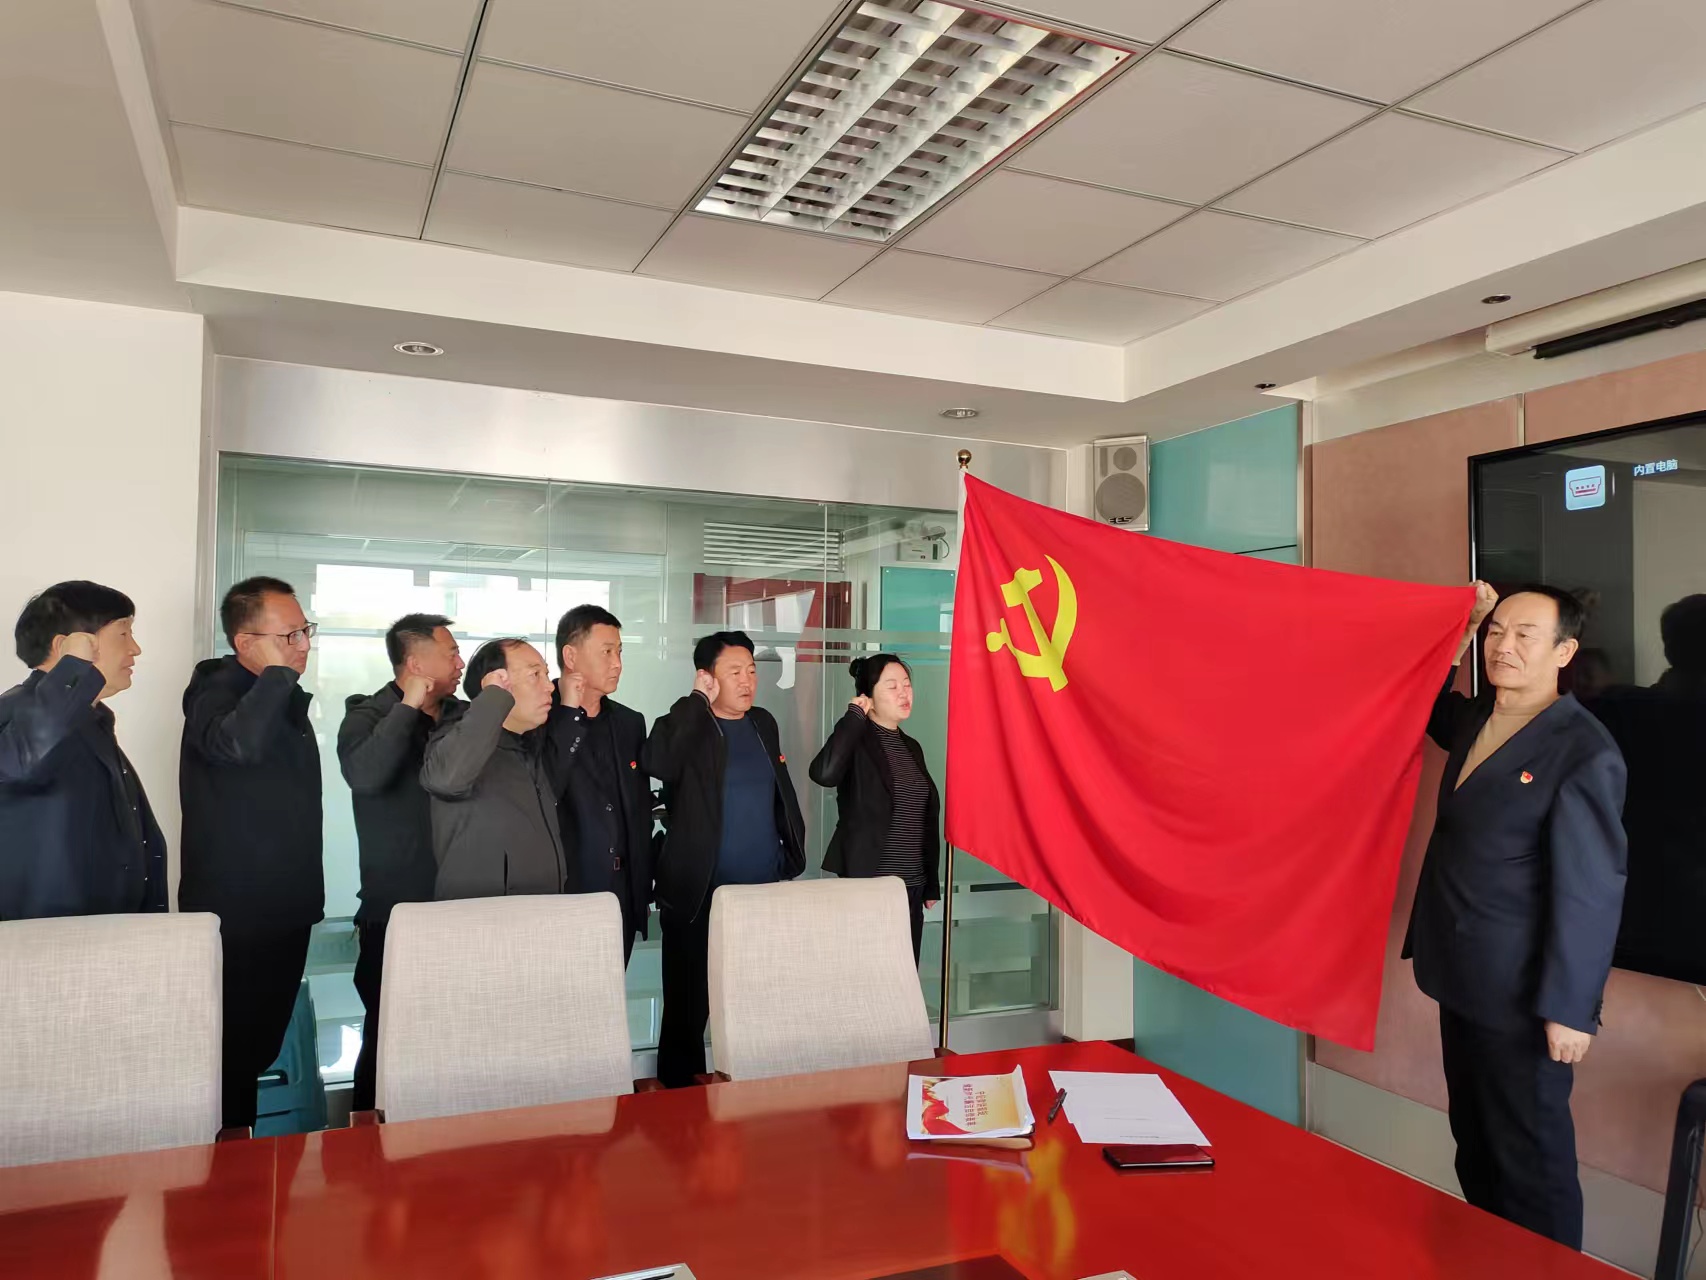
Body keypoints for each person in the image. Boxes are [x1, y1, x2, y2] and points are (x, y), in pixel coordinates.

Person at [1405, 581, 1627, 1250]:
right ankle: (1490, 1257)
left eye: (1525, 635)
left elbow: (1591, 889)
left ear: (1564, 652)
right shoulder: (1478, 715)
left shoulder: (1583, 751)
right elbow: (1421, 702)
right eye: (1497, 630)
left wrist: (1571, 1008)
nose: (1504, 645)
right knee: (1474, 1139)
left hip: (1523, 993)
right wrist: (1463, 625)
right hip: (1460, 971)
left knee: (1531, 1160)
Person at [180, 576, 325, 1131]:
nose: (303, 645)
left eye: (306, 631)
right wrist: (278, 674)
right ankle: (224, 1168)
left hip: (286, 907)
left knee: (258, 1048)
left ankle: (246, 1164)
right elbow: (236, 744)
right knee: (230, 1056)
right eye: (289, 635)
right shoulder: (217, 690)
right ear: (246, 643)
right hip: (239, 915)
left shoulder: (278, 695)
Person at [642, 630, 805, 1087]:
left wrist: (789, 855)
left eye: (751, 670)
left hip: (760, 893)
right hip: (699, 897)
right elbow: (658, 761)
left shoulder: (763, 723)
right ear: (707, 677)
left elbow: (778, 794)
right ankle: (681, 1107)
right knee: (688, 1012)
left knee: (757, 1003)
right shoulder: (686, 723)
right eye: (734, 672)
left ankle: (753, 1099)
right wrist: (696, 701)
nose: (747, 680)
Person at [337, 613, 464, 1113]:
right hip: (394, 908)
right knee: (389, 1037)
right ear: (415, 663)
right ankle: (369, 1142)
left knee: (454, 1034)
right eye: (450, 653)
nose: (460, 662)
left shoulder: (462, 716)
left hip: (459, 900)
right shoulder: (367, 716)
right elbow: (366, 776)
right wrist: (408, 705)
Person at [0, 581, 165, 919]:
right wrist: (73, 667)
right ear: (66, 647)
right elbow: (19, 763)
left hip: (98, 934)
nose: (135, 649)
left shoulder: (92, 719)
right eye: (123, 634)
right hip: (45, 940)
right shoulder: (14, 712)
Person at [808, 654, 941, 963]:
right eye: (892, 686)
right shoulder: (856, 739)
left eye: (907, 685)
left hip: (911, 887)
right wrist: (854, 716)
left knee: (904, 977)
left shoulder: (912, 747)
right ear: (868, 695)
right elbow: (824, 774)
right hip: (869, 884)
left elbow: (923, 819)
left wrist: (930, 884)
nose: (904, 693)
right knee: (867, 975)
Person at [546, 604, 653, 962]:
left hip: (623, 890)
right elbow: (545, 790)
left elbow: (637, 808)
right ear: (571, 657)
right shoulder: (539, 717)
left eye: (619, 652)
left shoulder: (629, 723)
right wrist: (568, 713)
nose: (617, 663)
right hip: (565, 892)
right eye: (606, 652)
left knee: (612, 990)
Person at [421, 638, 566, 899]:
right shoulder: (459, 739)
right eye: (535, 674)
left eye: (546, 674)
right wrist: (493, 697)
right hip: (484, 918)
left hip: (537, 912)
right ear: (497, 683)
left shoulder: (527, 746)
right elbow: (445, 779)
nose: (549, 686)